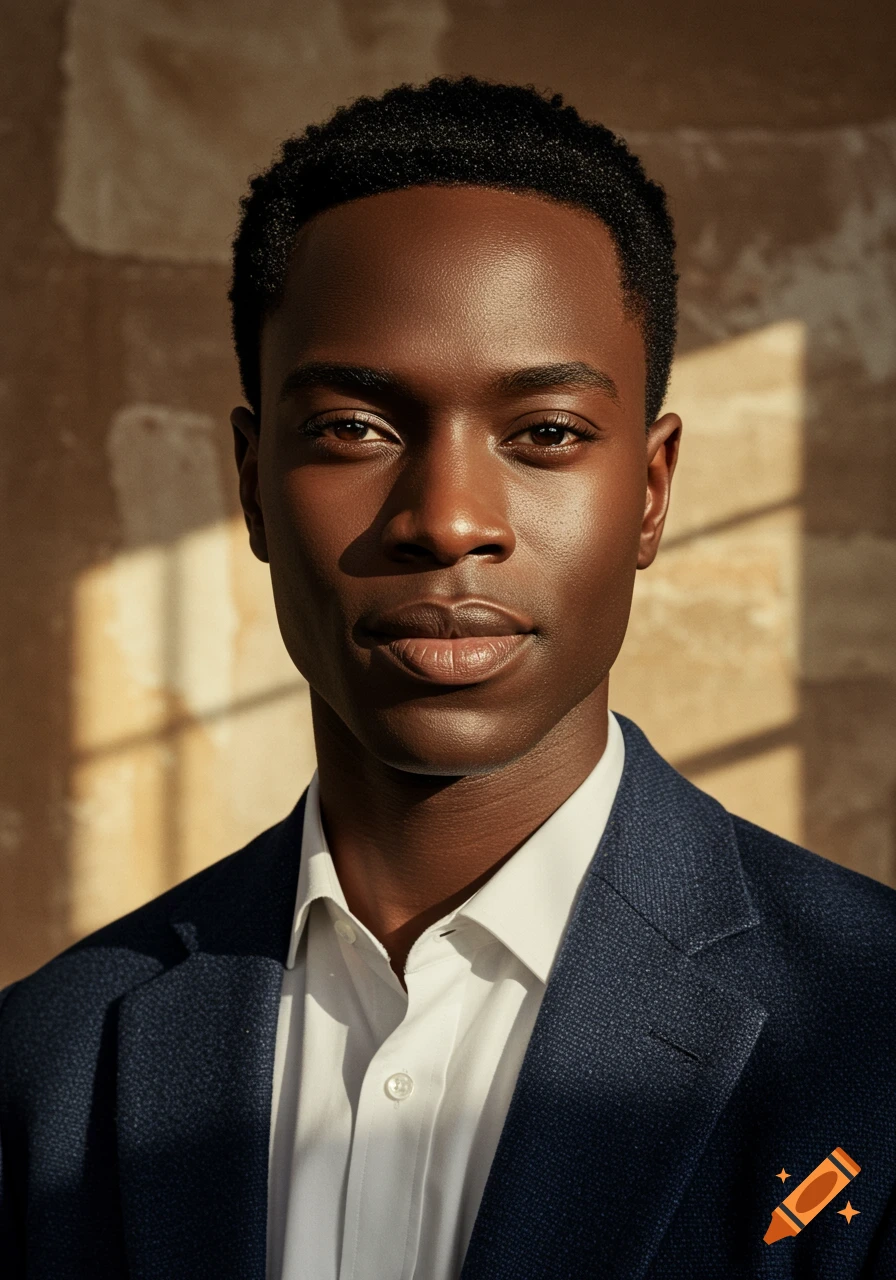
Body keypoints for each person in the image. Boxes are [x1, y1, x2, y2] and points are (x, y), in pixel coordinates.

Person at [1, 76, 895, 1280]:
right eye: (354, 430)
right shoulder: (44, 1063)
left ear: (649, 488)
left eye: (545, 434)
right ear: (253, 477)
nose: (447, 518)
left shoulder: (871, 1022)